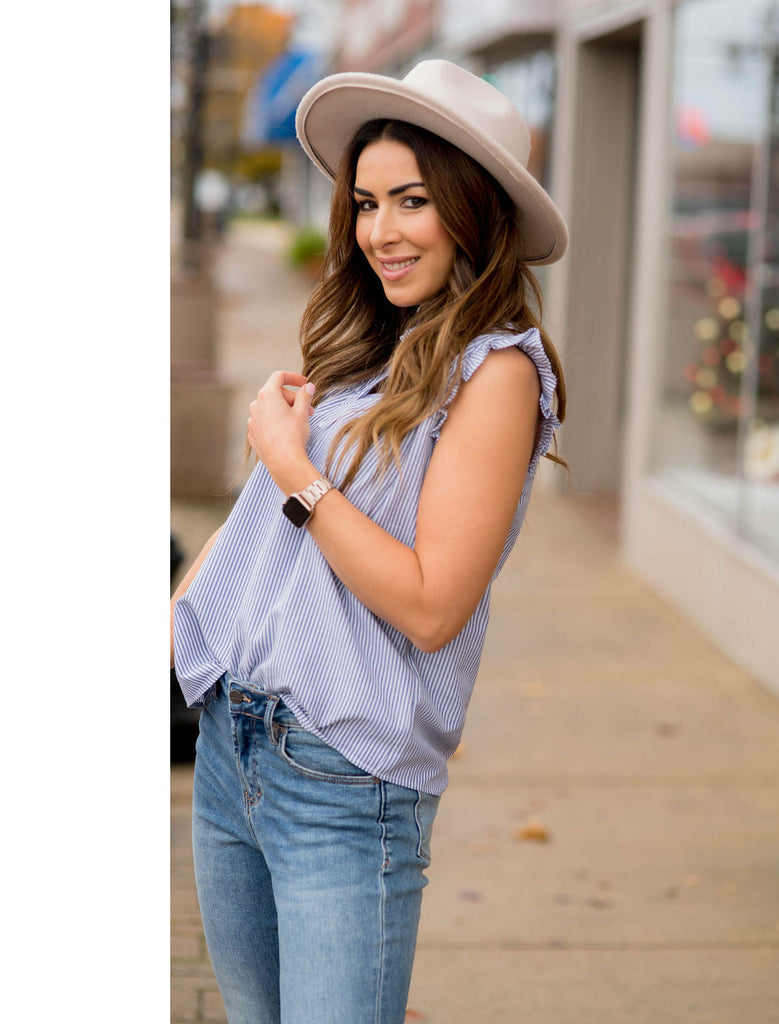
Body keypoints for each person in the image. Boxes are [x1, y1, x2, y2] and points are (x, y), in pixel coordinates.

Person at [170, 59, 569, 1024]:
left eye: (413, 202)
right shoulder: (369, 347)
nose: (380, 231)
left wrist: (294, 467)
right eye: (366, 203)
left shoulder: (498, 374)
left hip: (342, 784)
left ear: (475, 210)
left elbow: (432, 605)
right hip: (235, 746)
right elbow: (259, 536)